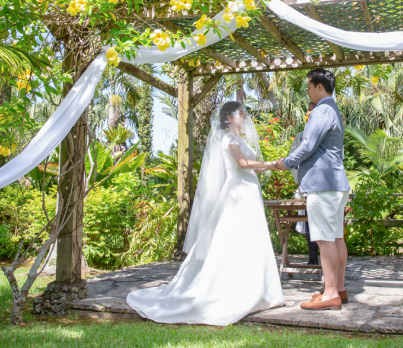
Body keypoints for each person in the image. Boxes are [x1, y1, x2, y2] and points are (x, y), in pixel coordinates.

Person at [126, 101, 284, 325]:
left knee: (252, 239)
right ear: (229, 118)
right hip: (237, 192)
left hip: (249, 191)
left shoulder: (239, 139)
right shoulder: (228, 139)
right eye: (241, 114)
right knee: (235, 238)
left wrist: (274, 165)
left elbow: (254, 166)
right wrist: (271, 163)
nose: (245, 117)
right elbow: (242, 163)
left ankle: (260, 289)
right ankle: (235, 288)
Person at [277, 68, 350, 311]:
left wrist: (285, 162)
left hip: (322, 185)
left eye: (309, 86)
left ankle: (330, 294)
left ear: (320, 87)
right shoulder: (334, 110)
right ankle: (338, 288)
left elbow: (307, 145)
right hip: (336, 184)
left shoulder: (322, 110)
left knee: (324, 239)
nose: (307, 91)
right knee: (336, 237)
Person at [289, 101, 320, 266]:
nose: (309, 116)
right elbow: (293, 160)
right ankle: (312, 258)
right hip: (305, 187)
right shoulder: (300, 136)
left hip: (322, 187)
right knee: (309, 223)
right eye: (308, 113)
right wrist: (301, 179)